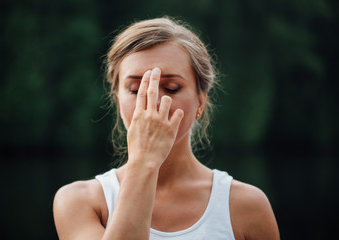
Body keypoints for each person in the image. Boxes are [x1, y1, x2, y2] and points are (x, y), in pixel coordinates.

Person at [53, 17, 280, 240]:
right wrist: (144, 163)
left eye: (171, 88)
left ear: (201, 100)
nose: (153, 102)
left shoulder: (247, 205)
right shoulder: (80, 201)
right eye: (135, 89)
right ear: (117, 99)